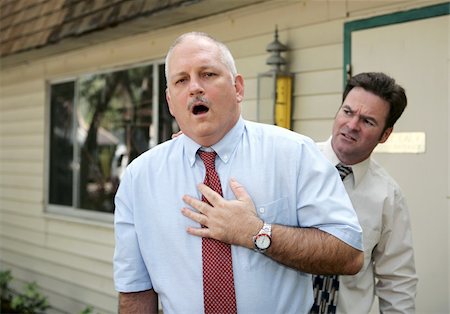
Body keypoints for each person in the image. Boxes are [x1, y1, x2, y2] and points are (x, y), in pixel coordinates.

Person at [113, 32, 364, 314]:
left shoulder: (294, 154)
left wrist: (256, 233)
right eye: (181, 80)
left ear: (238, 88)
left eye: (207, 74)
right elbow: (135, 290)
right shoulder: (139, 178)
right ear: (171, 102)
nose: (195, 87)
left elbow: (349, 254)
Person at [312, 72, 418, 314]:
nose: (351, 126)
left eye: (368, 121)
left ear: (385, 135)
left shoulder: (389, 197)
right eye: (347, 112)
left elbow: (397, 281)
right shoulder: (294, 165)